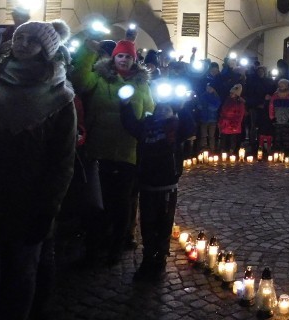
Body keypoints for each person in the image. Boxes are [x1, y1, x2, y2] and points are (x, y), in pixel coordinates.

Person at [0, 19, 76, 320]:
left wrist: (48, 209)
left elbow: (62, 160)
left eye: (33, 40)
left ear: (46, 49)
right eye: (20, 38)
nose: (23, 44)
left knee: (20, 283)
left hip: (29, 203)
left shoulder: (60, 98)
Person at [71, 38, 155, 265]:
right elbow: (79, 81)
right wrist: (86, 52)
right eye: (120, 56)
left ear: (134, 59)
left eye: (128, 56)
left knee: (121, 203)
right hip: (100, 149)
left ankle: (115, 248)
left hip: (127, 151)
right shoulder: (99, 78)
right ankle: (93, 247)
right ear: (113, 57)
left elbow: (149, 109)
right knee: (97, 203)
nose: (124, 60)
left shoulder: (141, 84)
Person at [120, 88, 195, 281]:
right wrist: (126, 104)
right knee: (148, 221)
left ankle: (161, 255)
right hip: (147, 183)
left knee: (164, 222)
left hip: (167, 185)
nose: (163, 111)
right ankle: (148, 256)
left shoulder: (176, 128)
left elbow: (190, 127)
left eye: (167, 108)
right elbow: (129, 124)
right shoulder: (146, 126)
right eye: (159, 108)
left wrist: (184, 106)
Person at [268, 79, 289, 154]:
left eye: (283, 85)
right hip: (277, 119)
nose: (281, 86)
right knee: (277, 136)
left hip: (287, 120)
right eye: (280, 85)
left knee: (286, 137)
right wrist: (272, 117)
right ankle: (277, 151)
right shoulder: (275, 95)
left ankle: (286, 152)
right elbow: (271, 106)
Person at [219, 84, 246, 153]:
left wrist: (236, 125)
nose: (231, 94)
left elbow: (240, 116)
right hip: (225, 123)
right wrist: (221, 121)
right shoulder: (227, 100)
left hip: (233, 123)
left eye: (233, 93)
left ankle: (231, 151)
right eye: (231, 93)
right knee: (224, 138)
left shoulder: (240, 103)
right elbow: (223, 111)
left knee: (232, 139)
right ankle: (223, 151)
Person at [195, 83, 221, 152]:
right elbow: (199, 105)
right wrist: (203, 107)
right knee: (203, 135)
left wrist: (206, 106)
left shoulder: (216, 97)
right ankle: (203, 148)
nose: (208, 89)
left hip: (212, 119)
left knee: (211, 136)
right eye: (207, 88)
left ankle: (212, 148)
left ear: (213, 89)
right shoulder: (203, 96)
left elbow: (215, 108)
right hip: (204, 118)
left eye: (210, 88)